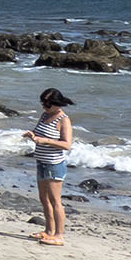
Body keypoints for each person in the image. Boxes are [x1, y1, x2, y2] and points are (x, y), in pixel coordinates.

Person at [22, 88, 75, 246]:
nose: (44, 106)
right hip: (41, 161)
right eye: (42, 102)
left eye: (48, 103)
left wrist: (45, 141)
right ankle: (48, 231)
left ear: (57, 103)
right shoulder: (45, 115)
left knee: (55, 200)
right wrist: (32, 136)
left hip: (54, 164)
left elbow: (67, 144)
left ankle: (59, 235)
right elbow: (39, 134)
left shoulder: (63, 119)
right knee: (44, 199)